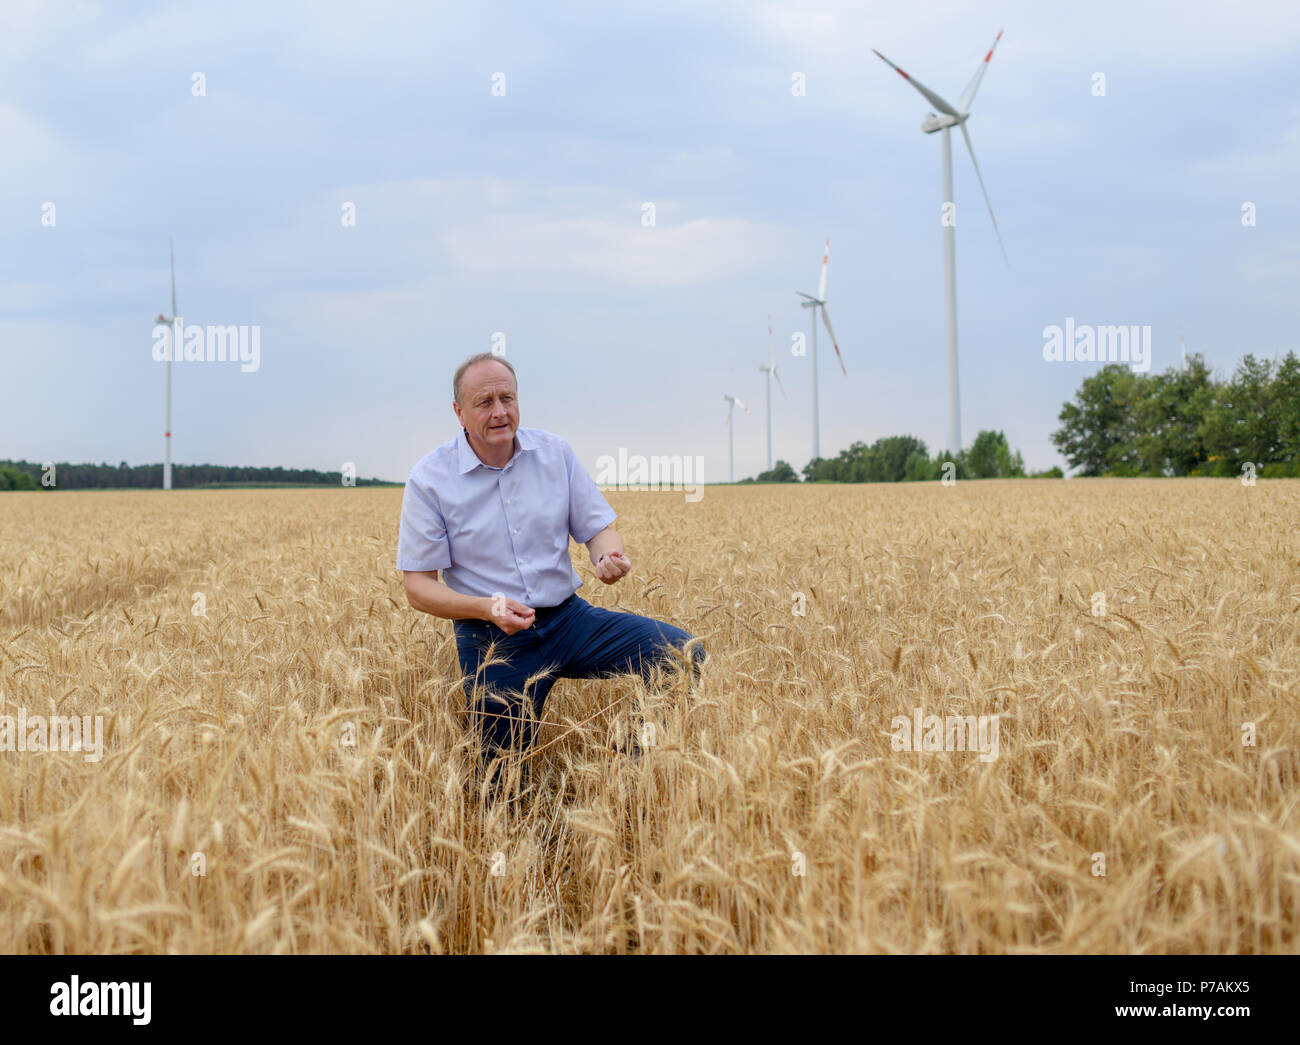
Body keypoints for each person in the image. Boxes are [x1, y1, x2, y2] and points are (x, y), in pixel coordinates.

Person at [396, 353, 705, 798]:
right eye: (484, 402)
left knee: (685, 657)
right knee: (499, 783)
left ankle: (623, 774)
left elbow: (597, 528)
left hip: (569, 621)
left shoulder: (554, 453)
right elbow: (418, 588)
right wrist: (488, 608)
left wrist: (606, 556)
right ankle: (511, 837)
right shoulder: (430, 479)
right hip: (493, 640)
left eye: (508, 397)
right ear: (458, 412)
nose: (500, 411)